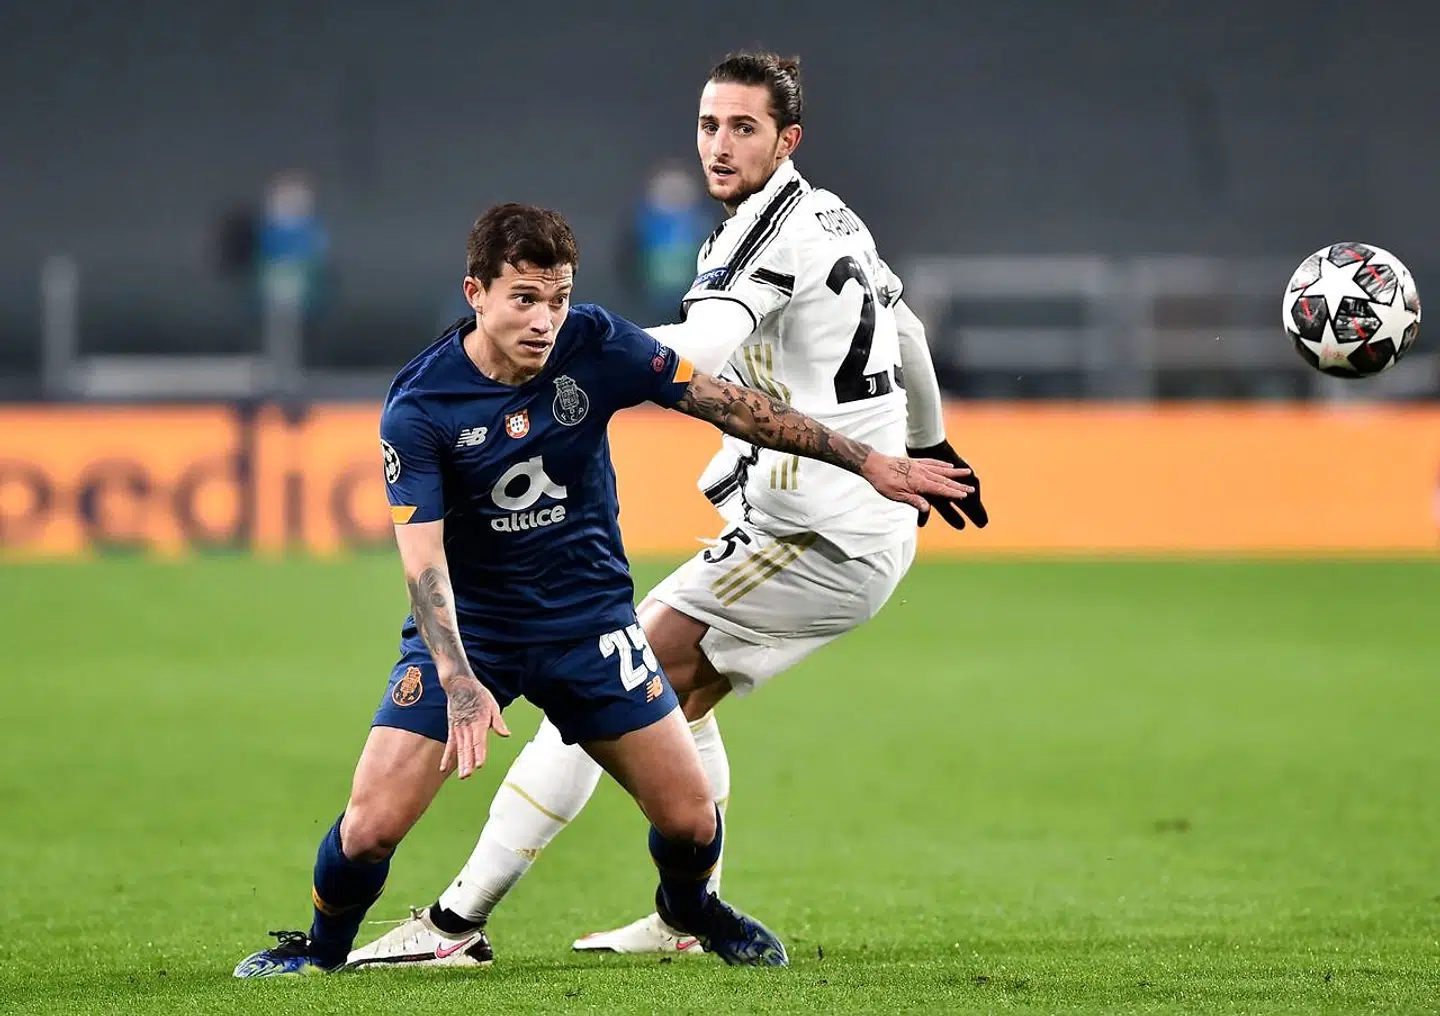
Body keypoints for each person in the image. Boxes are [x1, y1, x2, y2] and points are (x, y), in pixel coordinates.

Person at [346, 51, 988, 969]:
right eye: (707, 125)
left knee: (619, 674)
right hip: (825, 519)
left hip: (821, 531)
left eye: (744, 128)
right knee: (672, 704)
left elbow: (711, 343)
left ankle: (454, 923)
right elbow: (908, 331)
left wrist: (561, 347)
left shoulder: (760, 235)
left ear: (787, 139)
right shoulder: (831, 214)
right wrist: (928, 441)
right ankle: (690, 911)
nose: (719, 146)